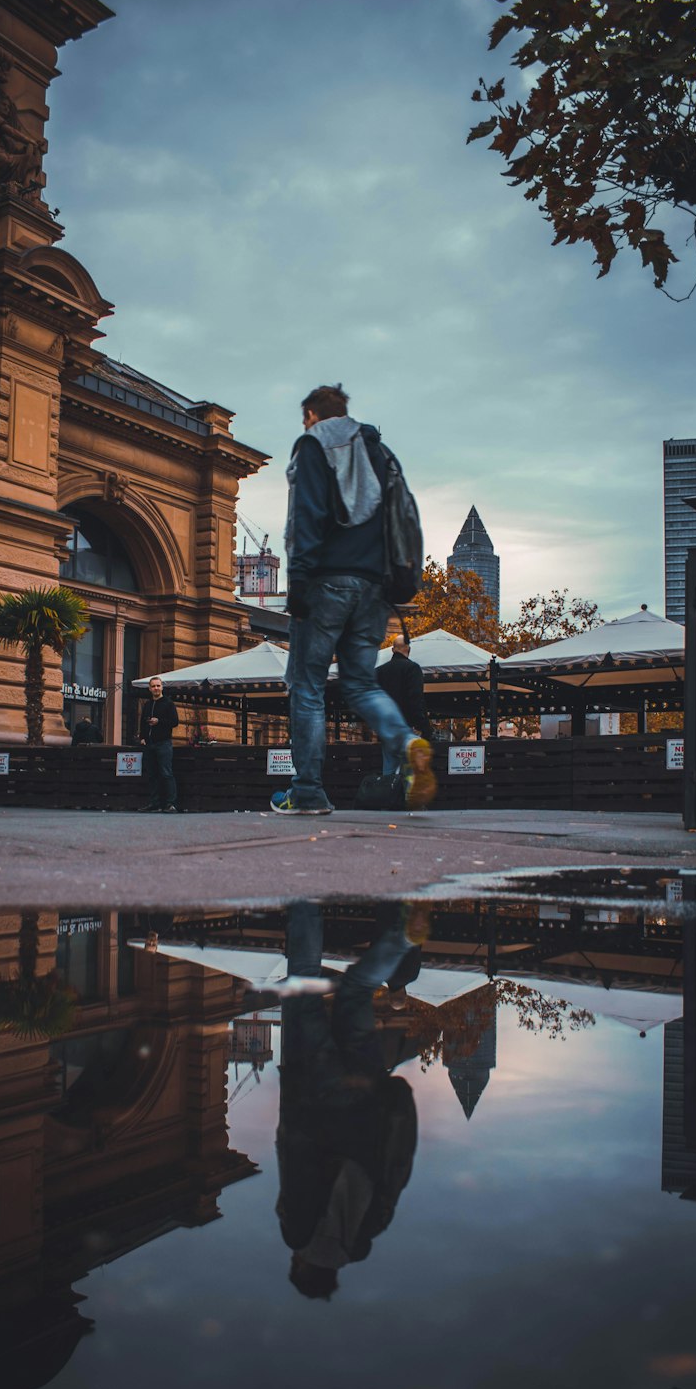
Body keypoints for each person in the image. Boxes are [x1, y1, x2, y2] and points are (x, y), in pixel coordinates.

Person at [273, 383, 436, 816]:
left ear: (311, 414)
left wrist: (300, 581)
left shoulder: (314, 444)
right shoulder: (379, 451)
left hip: (326, 580)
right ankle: (407, 742)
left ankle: (307, 792)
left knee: (306, 687)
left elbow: (307, 513)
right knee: (361, 684)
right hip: (375, 588)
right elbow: (401, 515)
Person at [277, 900, 419, 1301]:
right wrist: (292, 1100)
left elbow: (397, 1166)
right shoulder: (298, 1236)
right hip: (318, 1096)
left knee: (357, 992)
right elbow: (295, 1161)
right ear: (301, 1267)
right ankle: (306, 902)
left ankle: (402, 939)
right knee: (302, 988)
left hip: (367, 1096)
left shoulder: (366, 1235)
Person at [376, 634, 428, 775]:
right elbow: (415, 700)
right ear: (408, 649)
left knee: (389, 772)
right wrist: (420, 726)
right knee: (410, 774)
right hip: (408, 729)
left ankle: (390, 796)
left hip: (387, 730)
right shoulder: (412, 669)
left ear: (393, 650)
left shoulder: (379, 671)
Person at [139, 676, 178, 813]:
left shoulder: (168, 704)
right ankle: (154, 803)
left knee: (166, 773)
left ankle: (170, 804)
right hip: (149, 744)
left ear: (162, 687)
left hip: (163, 743)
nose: (156, 688)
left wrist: (159, 721)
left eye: (158, 686)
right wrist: (142, 737)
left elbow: (174, 722)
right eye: (153, 686)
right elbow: (143, 722)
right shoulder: (147, 705)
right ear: (150, 689)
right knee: (152, 774)